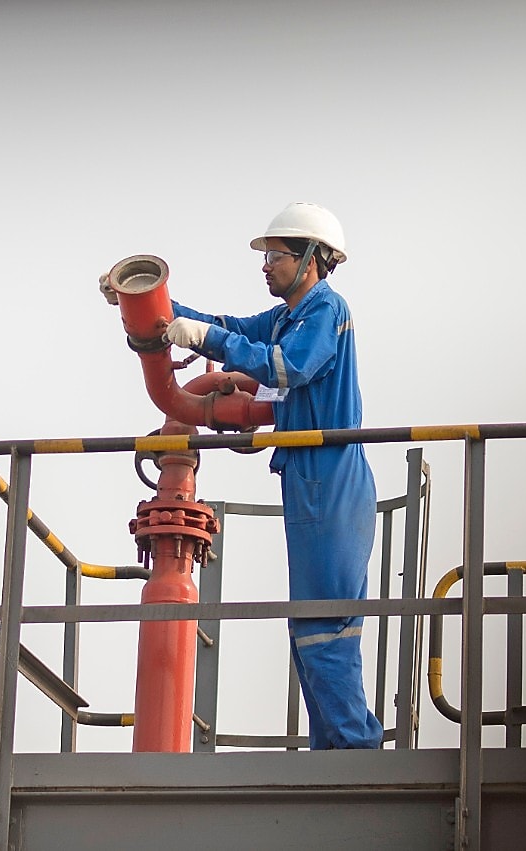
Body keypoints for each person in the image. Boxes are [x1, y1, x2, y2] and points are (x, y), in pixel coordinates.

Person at [162, 202, 383, 750]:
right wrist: (151, 308)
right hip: (308, 476)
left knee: (325, 626)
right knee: (308, 628)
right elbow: (230, 327)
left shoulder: (326, 311)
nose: (265, 266)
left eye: (275, 256)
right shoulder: (290, 316)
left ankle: (355, 756)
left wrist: (207, 342)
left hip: (330, 475)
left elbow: (289, 367)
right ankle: (334, 753)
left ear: (310, 258)